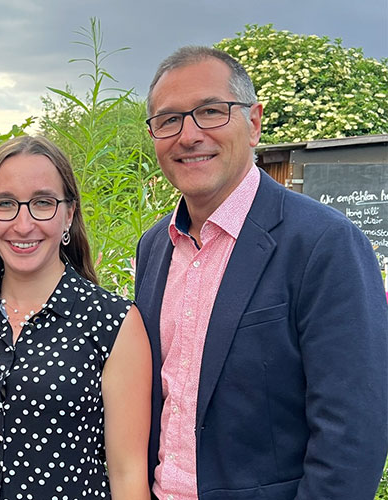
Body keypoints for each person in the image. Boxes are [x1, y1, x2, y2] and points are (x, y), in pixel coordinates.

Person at [134, 46, 388, 499]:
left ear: (253, 123)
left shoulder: (324, 244)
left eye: (210, 112)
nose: (188, 135)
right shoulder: (155, 247)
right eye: (169, 120)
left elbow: (352, 433)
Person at [0, 135, 152, 499]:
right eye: (5, 204)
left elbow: (127, 472)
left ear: (69, 214)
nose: (23, 225)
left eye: (42, 203)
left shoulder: (113, 323)